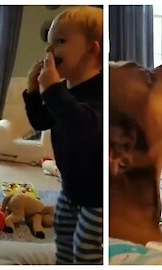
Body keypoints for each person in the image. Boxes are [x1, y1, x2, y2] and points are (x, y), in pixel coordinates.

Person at [23, 6, 103, 264]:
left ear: (92, 49)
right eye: (49, 44)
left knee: (86, 249)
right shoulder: (65, 92)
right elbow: (41, 121)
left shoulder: (100, 89)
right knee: (64, 243)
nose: (50, 51)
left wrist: (53, 91)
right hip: (70, 190)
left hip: (97, 196)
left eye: (60, 41)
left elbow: (85, 126)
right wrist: (34, 92)